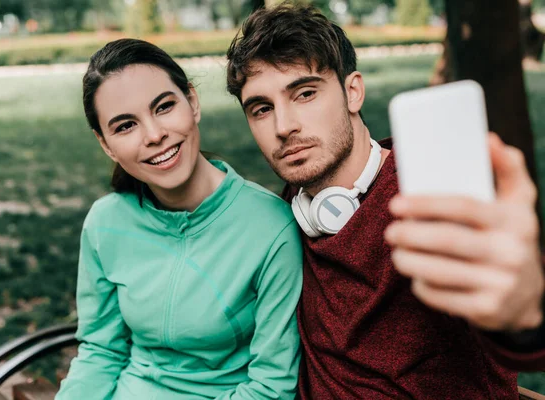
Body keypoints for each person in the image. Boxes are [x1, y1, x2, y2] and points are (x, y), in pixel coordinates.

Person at [226, 3, 545, 399]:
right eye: (261, 109)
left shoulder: (430, 199)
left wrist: (526, 313)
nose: (283, 126)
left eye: (305, 93)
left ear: (352, 91)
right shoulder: (290, 208)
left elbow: (519, 326)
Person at [55, 38, 303, 400]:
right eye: (125, 126)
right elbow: (101, 352)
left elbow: (271, 387)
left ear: (193, 101)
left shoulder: (272, 228)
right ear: (105, 144)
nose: (155, 135)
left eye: (164, 107)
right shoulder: (104, 223)